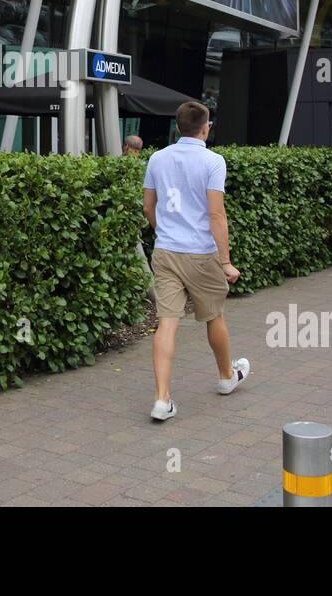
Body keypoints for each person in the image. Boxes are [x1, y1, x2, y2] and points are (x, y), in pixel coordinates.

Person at [142, 100, 249, 422]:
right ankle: (226, 377)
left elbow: (149, 206)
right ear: (206, 127)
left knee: (167, 323)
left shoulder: (157, 158)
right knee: (214, 316)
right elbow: (216, 213)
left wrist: (165, 232)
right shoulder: (213, 161)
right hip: (201, 254)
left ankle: (162, 400)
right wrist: (226, 261)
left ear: (177, 127)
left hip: (165, 252)